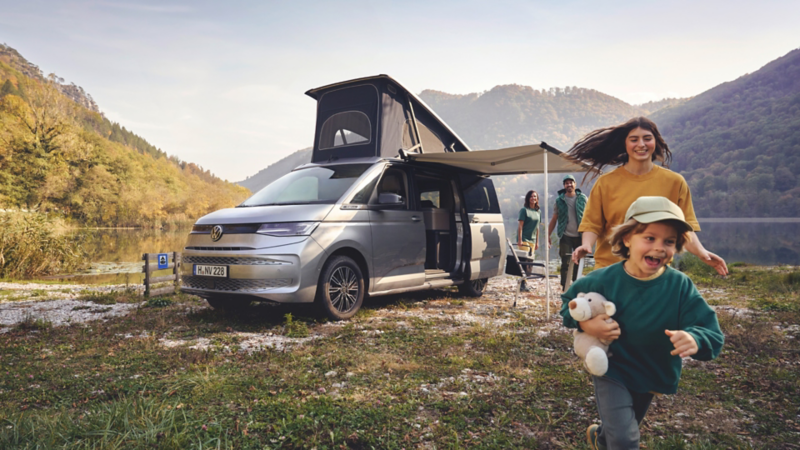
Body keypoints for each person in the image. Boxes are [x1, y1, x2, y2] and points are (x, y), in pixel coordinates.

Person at [560, 196, 724, 449]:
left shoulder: (679, 285)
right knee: (626, 439)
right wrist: (585, 325)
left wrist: (695, 338)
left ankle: (599, 437)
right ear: (627, 239)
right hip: (612, 367)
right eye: (649, 238)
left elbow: (710, 332)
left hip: (651, 371)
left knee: (623, 427)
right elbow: (568, 304)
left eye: (668, 241)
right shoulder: (603, 279)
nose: (659, 248)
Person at [569, 117, 728, 276]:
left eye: (647, 138)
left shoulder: (675, 182)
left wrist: (702, 253)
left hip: (655, 274)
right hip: (611, 273)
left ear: (656, 142)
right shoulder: (605, 183)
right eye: (634, 139)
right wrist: (586, 245)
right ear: (625, 144)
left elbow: (685, 228)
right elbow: (592, 224)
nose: (641, 144)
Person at [547, 174, 588, 290]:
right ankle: (565, 286)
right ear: (564, 185)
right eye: (566, 183)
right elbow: (554, 219)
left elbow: (589, 216)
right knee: (565, 261)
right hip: (565, 236)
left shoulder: (583, 198)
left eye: (571, 182)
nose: (569, 184)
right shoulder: (559, 200)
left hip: (580, 235)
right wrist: (548, 235)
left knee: (578, 262)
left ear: (575, 184)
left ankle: (576, 285)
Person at [517, 190, 540, 291]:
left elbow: (537, 228)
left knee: (530, 263)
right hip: (524, 240)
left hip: (533, 240)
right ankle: (523, 284)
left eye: (534, 196)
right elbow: (520, 226)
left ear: (537, 199)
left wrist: (537, 242)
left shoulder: (538, 211)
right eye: (531, 196)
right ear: (528, 198)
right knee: (524, 263)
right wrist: (520, 240)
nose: (533, 198)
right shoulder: (524, 210)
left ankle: (524, 283)